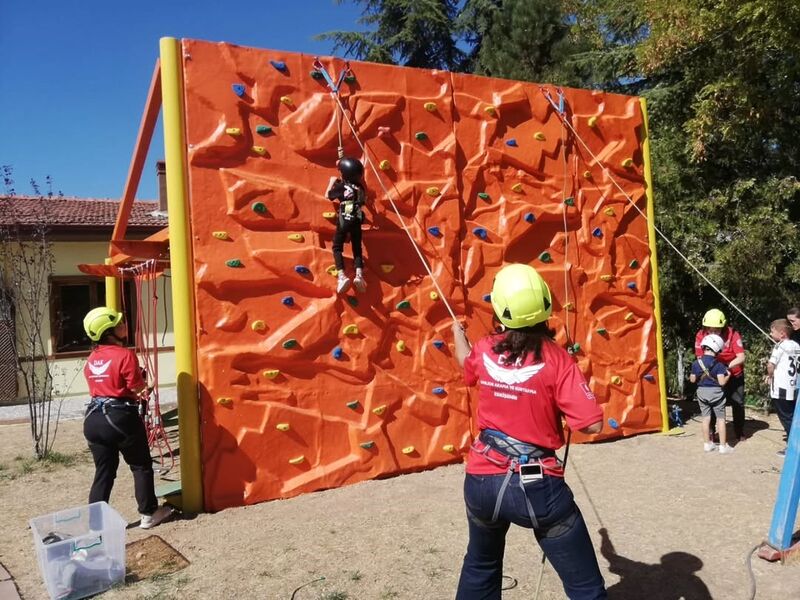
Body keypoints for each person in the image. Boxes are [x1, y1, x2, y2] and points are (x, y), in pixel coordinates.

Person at [451, 263, 607, 600]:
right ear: (545, 307)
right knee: (585, 588)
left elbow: (466, 365)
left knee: (481, 565)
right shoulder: (558, 360)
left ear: (500, 310)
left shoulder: (484, 348)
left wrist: (456, 335)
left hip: (481, 480)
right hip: (538, 488)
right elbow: (591, 423)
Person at [82, 307, 173, 529]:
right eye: (119, 323)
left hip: (93, 419)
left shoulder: (92, 358)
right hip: (119, 417)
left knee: (104, 471)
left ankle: (95, 523)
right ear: (109, 331)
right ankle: (149, 513)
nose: (125, 325)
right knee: (140, 465)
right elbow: (138, 389)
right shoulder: (125, 355)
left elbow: (104, 386)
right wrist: (148, 386)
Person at [694, 308, 746, 442]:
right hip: (712, 375)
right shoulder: (700, 335)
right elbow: (701, 358)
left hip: (733, 372)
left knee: (738, 403)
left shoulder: (733, 334)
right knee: (712, 403)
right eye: (709, 330)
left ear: (722, 328)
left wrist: (725, 368)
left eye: (716, 330)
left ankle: (739, 432)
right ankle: (711, 432)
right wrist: (716, 371)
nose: (712, 333)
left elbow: (741, 357)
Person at [327, 156, 367, 294]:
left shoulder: (341, 186)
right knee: (357, 248)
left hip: (345, 218)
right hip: (357, 218)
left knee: (337, 247)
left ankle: (342, 276)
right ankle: (359, 276)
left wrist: (332, 182)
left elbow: (328, 195)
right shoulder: (361, 188)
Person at [689, 334, 733, 453]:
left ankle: (707, 444)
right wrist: (728, 376)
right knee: (721, 419)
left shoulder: (696, 363)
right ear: (718, 349)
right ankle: (723, 446)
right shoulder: (719, 365)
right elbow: (722, 382)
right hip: (716, 394)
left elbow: (692, 380)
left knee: (705, 418)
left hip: (702, 393)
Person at [765, 318, 800, 457]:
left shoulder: (780, 346)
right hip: (793, 387)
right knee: (791, 416)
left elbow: (770, 364)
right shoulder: (797, 346)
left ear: (782, 333)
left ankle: (793, 447)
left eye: (772, 331)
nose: (770, 334)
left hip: (781, 389)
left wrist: (770, 375)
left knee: (786, 418)